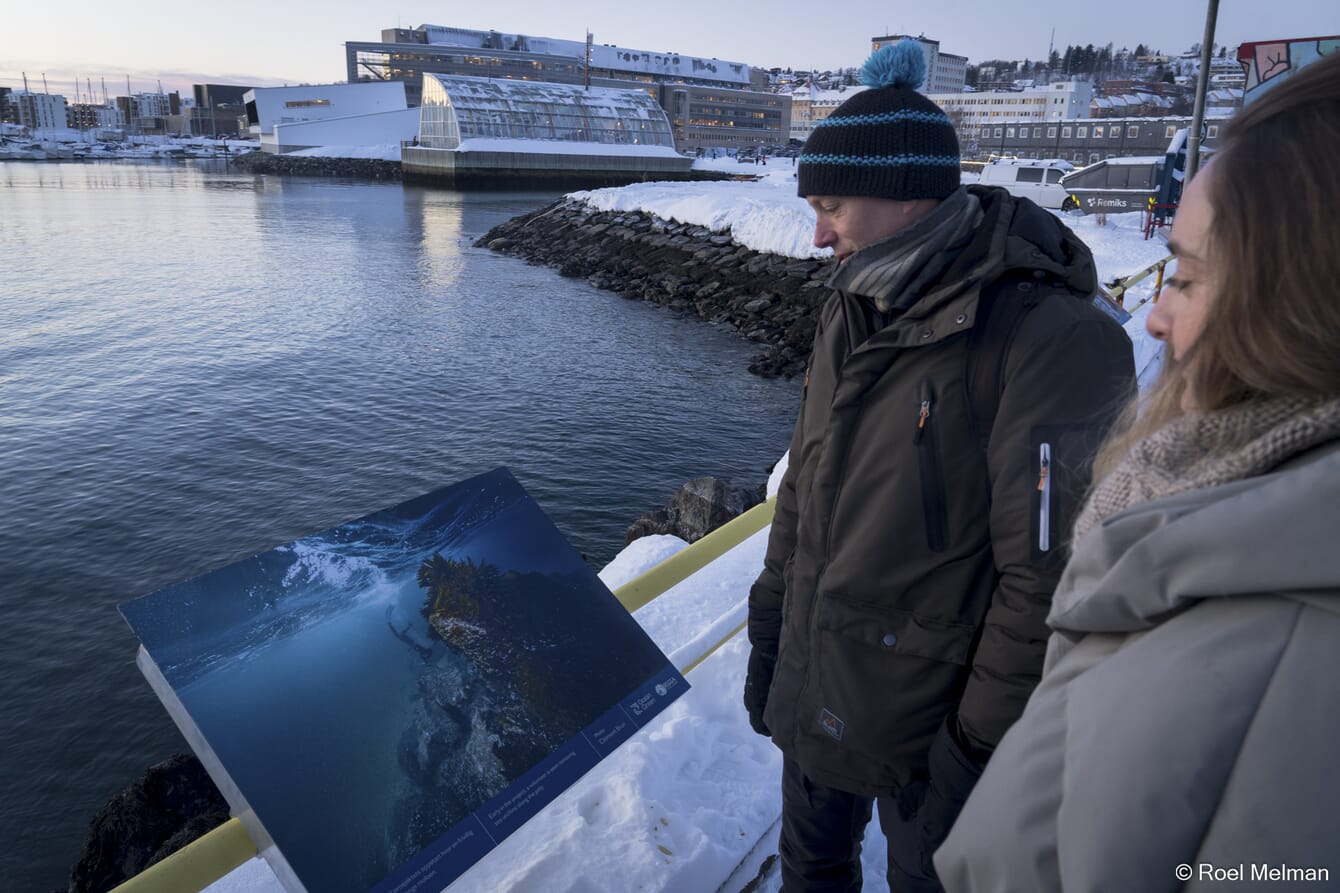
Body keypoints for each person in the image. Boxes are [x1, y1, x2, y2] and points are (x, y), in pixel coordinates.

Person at [933, 51, 1340, 892]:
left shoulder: (1272, 634)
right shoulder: (1214, 513)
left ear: (1297, 309)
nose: (1152, 314)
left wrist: (971, 737)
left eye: (1186, 277)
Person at [743, 40, 1136, 891]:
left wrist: (977, 746)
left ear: (906, 196)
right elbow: (805, 494)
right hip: (822, 681)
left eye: (831, 205)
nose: (815, 235)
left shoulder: (1047, 337)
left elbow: (1050, 581)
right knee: (812, 868)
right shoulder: (851, 304)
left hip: (938, 729)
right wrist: (772, 634)